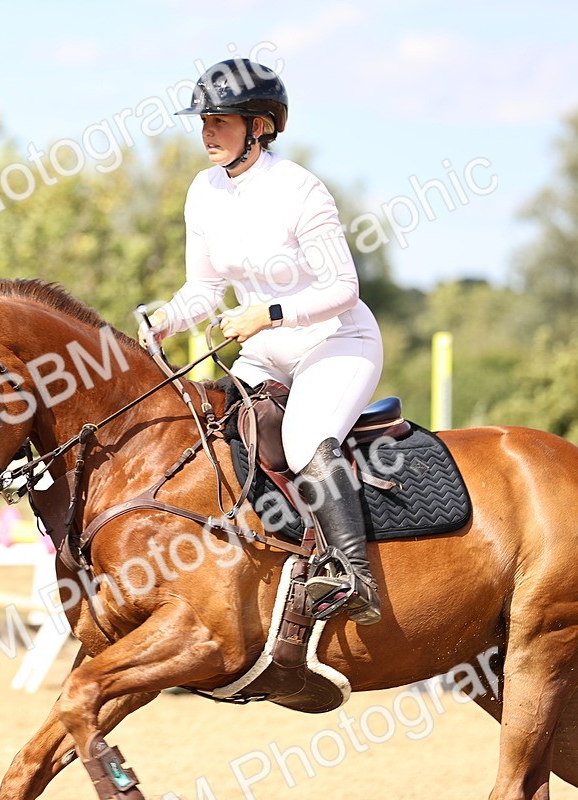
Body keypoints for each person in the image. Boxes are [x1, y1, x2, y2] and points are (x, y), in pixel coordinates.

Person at [141, 58, 384, 625]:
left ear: (260, 125)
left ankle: (355, 577)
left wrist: (269, 314)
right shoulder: (202, 191)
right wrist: (166, 320)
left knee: (302, 442)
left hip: (336, 342)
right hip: (266, 351)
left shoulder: (300, 190)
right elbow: (202, 289)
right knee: (208, 432)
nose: (206, 132)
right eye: (203, 121)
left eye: (220, 121)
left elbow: (344, 288)